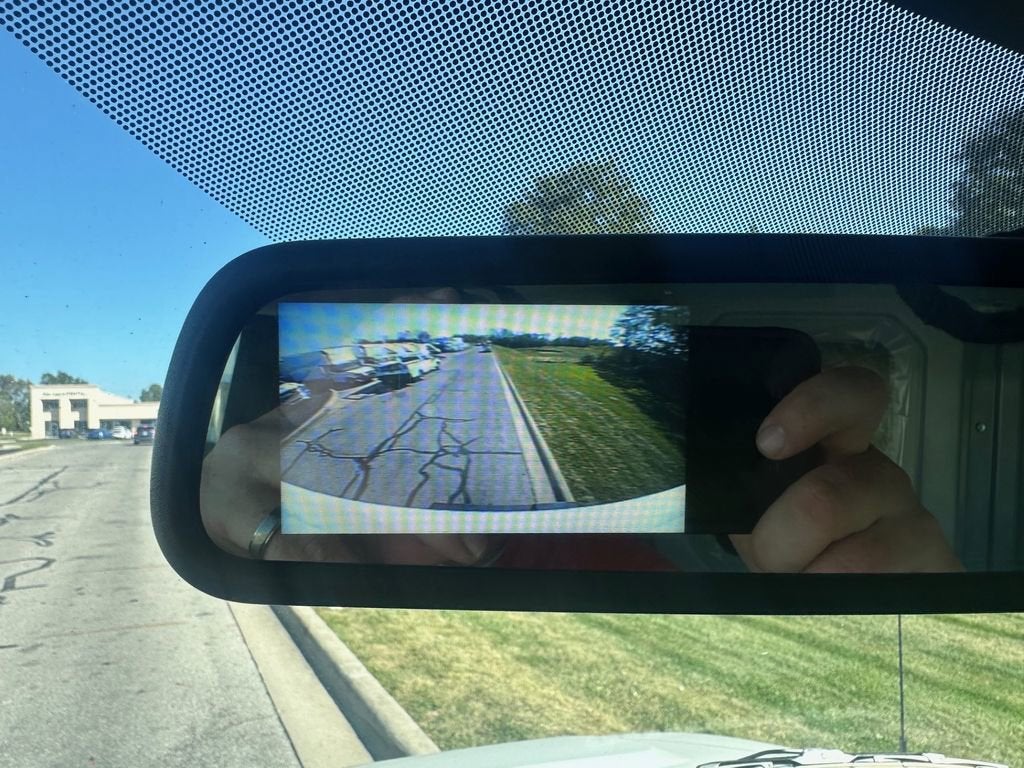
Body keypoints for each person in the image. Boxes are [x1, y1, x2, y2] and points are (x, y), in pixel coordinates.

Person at [200, 289, 962, 574]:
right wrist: (255, 536)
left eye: (471, 301)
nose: (437, 304)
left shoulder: (603, 557)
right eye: (377, 303)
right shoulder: (286, 496)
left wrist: (843, 585)